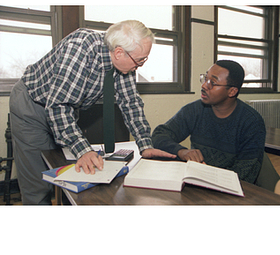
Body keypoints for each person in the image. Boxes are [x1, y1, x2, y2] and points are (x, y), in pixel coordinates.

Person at [10, 20, 176, 205]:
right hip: (32, 106)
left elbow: (131, 104)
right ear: (119, 52)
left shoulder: (123, 63)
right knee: (38, 183)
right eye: (140, 60)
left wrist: (145, 145)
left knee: (71, 175)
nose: (140, 66)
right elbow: (59, 105)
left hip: (64, 111)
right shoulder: (81, 48)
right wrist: (83, 150)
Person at [152, 60, 266, 184]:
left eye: (213, 83)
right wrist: (181, 151)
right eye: (205, 79)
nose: (204, 86)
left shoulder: (251, 123)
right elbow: (159, 135)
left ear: (232, 91)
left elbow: (244, 174)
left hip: (231, 192)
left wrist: (208, 176)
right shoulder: (195, 110)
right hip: (197, 183)